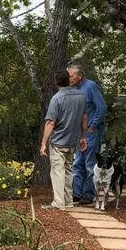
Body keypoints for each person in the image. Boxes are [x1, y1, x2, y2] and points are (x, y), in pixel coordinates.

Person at [40, 69, 88, 209]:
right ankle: (68, 201)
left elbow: (50, 122)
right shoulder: (81, 96)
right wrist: (83, 137)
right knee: (68, 170)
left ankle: (59, 202)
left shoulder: (57, 99)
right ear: (68, 80)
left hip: (58, 141)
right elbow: (84, 118)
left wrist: (43, 143)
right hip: (72, 140)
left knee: (57, 171)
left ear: (56, 83)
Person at [68, 64, 108, 204]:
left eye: (71, 76)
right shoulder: (73, 90)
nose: (69, 78)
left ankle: (88, 194)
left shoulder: (91, 87)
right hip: (78, 133)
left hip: (91, 132)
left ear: (79, 76)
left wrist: (93, 125)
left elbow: (101, 107)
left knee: (90, 164)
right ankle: (76, 193)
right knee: (77, 163)